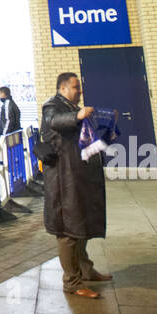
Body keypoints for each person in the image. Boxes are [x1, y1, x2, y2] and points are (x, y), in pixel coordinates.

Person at [40, 72, 111, 299]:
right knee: (68, 231)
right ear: (63, 89)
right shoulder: (52, 106)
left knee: (81, 226)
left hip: (79, 177)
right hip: (64, 180)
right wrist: (78, 115)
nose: (79, 91)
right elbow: (53, 121)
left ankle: (86, 271)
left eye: (79, 87)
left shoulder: (71, 106)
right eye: (75, 87)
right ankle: (72, 281)